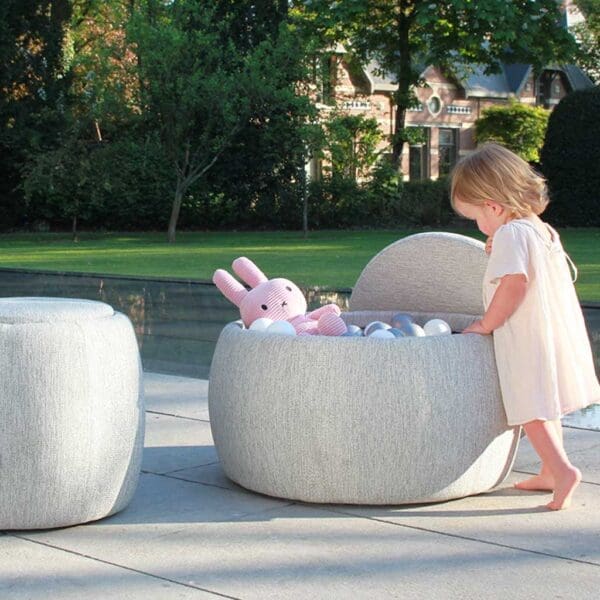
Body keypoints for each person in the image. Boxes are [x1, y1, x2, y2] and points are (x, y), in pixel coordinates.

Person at [450, 142, 600, 510]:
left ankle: (563, 471)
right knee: (546, 404)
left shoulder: (510, 235)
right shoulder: (538, 229)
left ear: (494, 207)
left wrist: (487, 323)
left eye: (476, 218)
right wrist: (495, 245)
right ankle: (551, 470)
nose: (479, 226)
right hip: (550, 331)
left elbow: (514, 283)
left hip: (524, 336)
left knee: (528, 408)